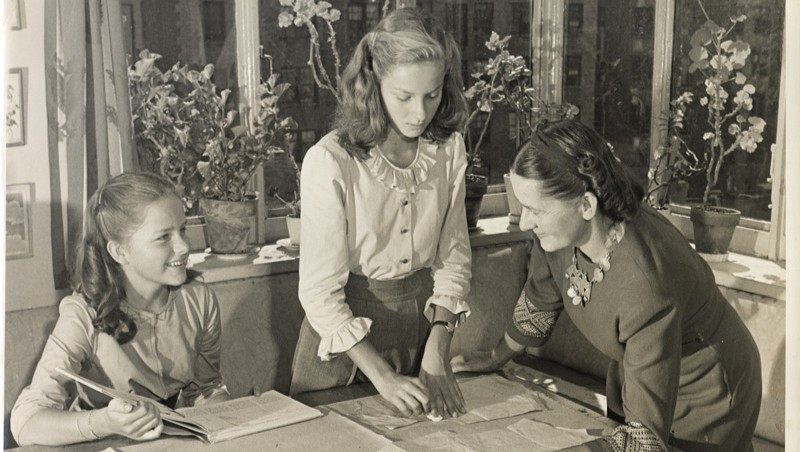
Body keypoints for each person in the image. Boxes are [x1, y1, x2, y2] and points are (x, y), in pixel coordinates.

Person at [451, 120, 761, 452]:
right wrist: (495, 357)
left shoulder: (645, 286)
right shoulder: (560, 233)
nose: (525, 222)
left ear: (586, 205)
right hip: (638, 374)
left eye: (535, 210)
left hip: (706, 393)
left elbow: (643, 438)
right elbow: (541, 299)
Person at [290, 8, 471, 420]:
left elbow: (454, 257)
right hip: (341, 346)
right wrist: (383, 377)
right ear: (373, 85)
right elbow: (319, 294)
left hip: (420, 336)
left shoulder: (448, 150)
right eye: (403, 97)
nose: (420, 113)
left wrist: (437, 348)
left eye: (433, 94)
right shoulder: (330, 161)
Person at [10, 172, 231, 446]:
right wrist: (105, 421)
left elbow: (207, 388)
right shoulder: (84, 315)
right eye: (164, 237)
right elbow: (26, 422)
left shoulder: (199, 300)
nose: (183, 246)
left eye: (182, 230)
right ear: (119, 252)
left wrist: (230, 415)